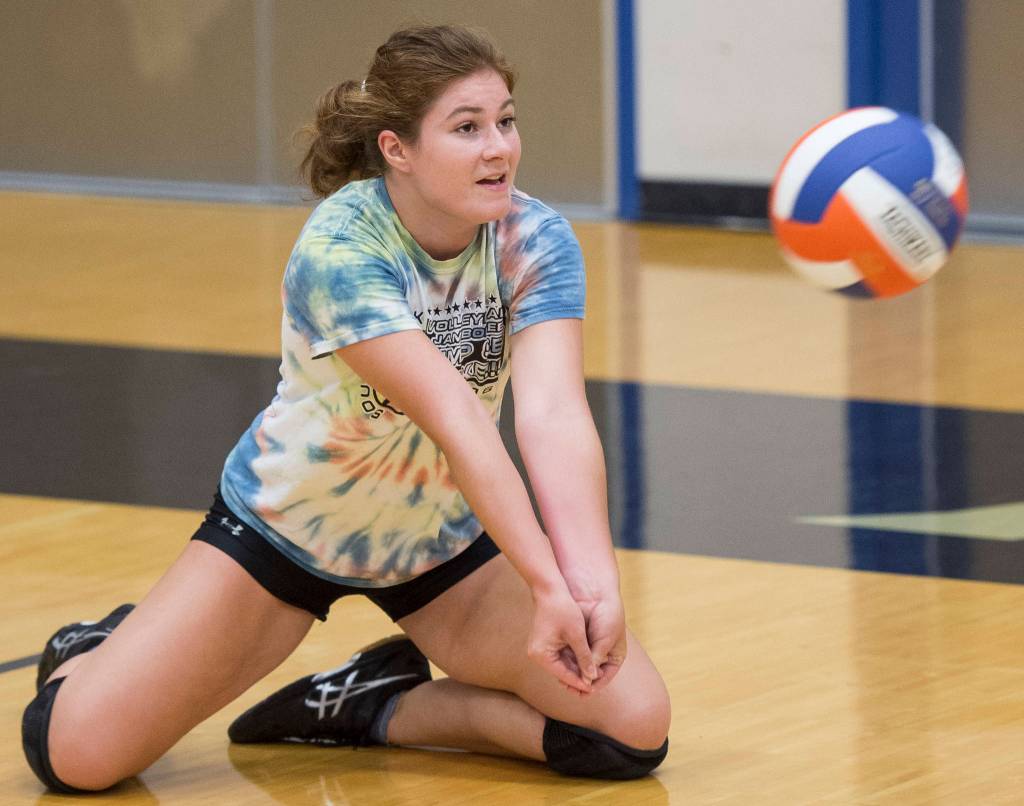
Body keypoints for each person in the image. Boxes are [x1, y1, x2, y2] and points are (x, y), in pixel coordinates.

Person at [22, 24, 670, 793]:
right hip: (292, 531)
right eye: (466, 128)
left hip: (443, 539)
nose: (498, 147)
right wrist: (549, 586)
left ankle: (376, 705)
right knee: (76, 761)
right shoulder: (342, 249)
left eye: (506, 119)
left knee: (630, 727)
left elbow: (555, 416)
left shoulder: (536, 239)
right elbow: (456, 419)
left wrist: (594, 587)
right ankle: (105, 645)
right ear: (397, 149)